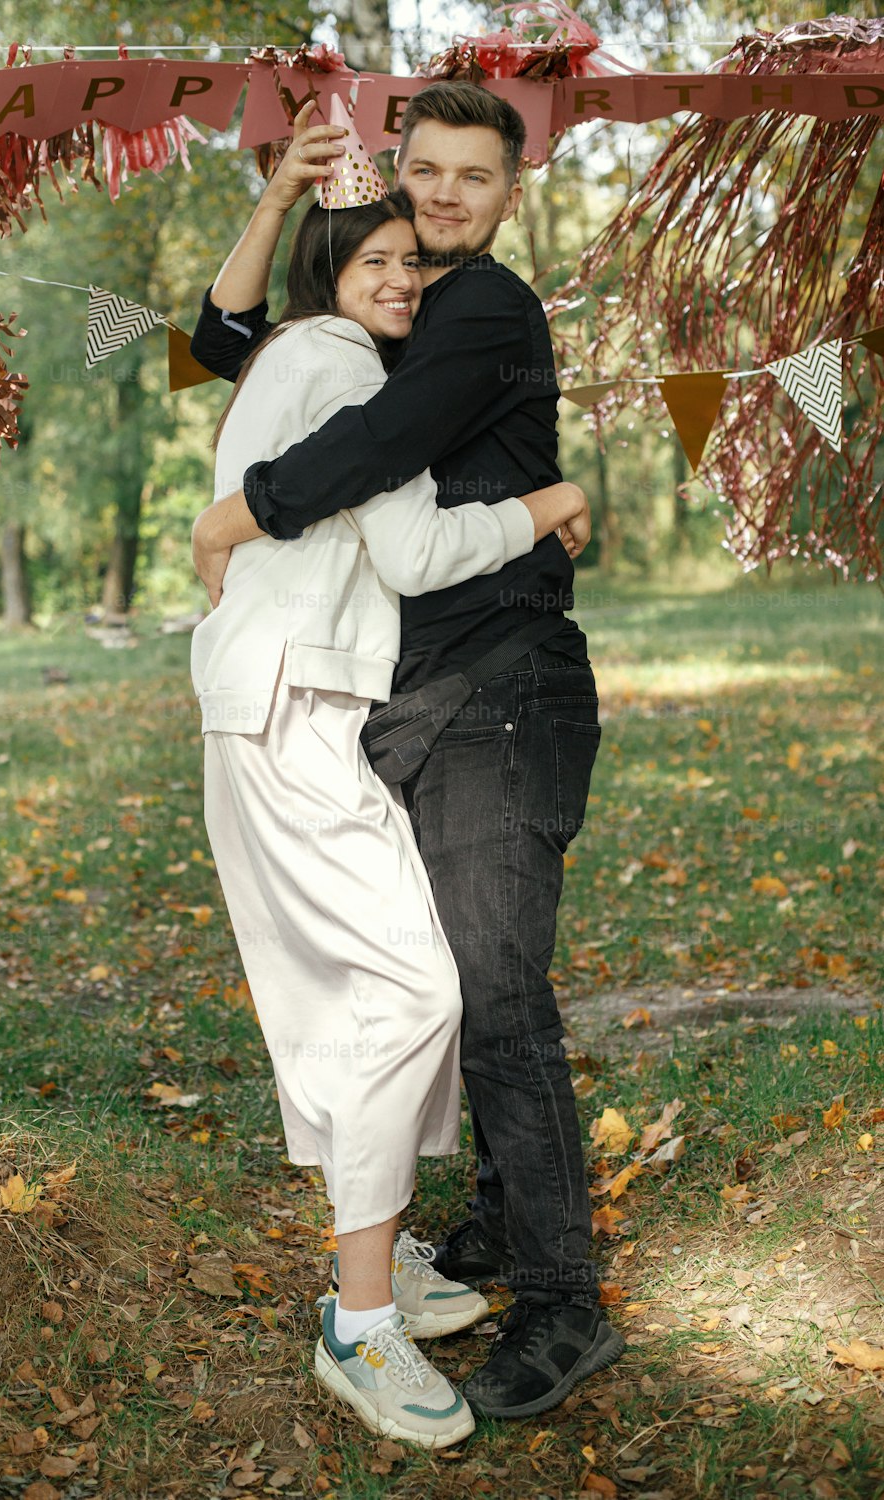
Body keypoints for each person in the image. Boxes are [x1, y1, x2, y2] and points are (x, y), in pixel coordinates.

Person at [189, 79, 625, 1422]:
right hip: (404, 700)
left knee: (480, 988)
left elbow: (370, 451)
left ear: (509, 192)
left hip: (499, 680)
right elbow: (232, 341)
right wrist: (273, 199)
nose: (438, 201)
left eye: (468, 180)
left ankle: (559, 1298)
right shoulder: (383, 325)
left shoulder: (479, 306)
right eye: (419, 174)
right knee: (454, 979)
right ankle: (489, 1228)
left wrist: (238, 512)